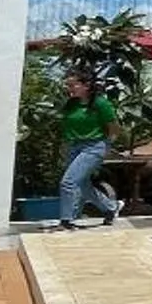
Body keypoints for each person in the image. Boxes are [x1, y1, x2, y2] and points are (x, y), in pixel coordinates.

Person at [53, 72, 122, 230]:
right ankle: (111, 208)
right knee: (83, 186)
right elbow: (67, 127)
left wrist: (107, 146)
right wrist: (65, 147)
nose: (69, 88)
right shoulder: (71, 104)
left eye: (72, 85)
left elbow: (114, 128)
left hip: (94, 146)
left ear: (86, 86)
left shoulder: (100, 104)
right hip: (74, 146)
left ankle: (66, 221)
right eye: (68, 85)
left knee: (68, 183)